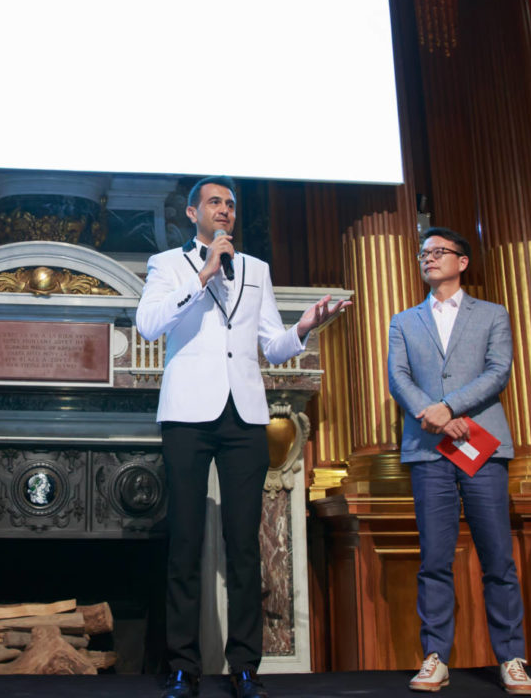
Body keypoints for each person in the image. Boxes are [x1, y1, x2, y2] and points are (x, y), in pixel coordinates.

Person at [135, 176, 348, 698]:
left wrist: (303, 328)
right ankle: (183, 666)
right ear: (192, 213)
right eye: (214, 202)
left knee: (244, 545)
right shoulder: (167, 264)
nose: (225, 210)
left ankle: (246, 667)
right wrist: (204, 274)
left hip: (244, 416)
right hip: (188, 415)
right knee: (185, 543)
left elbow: (272, 346)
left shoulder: (256, 269)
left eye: (230, 204)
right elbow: (148, 325)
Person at [387, 228, 531, 695]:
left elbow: (498, 370)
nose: (428, 259)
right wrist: (433, 414)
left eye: (438, 252)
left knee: (497, 557)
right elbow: (398, 377)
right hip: (428, 447)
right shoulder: (404, 320)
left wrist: (450, 407)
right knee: (434, 557)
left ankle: (511, 658)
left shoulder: (492, 314)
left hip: (480, 444)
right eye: (423, 253)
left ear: (462, 261)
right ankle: (435, 657)